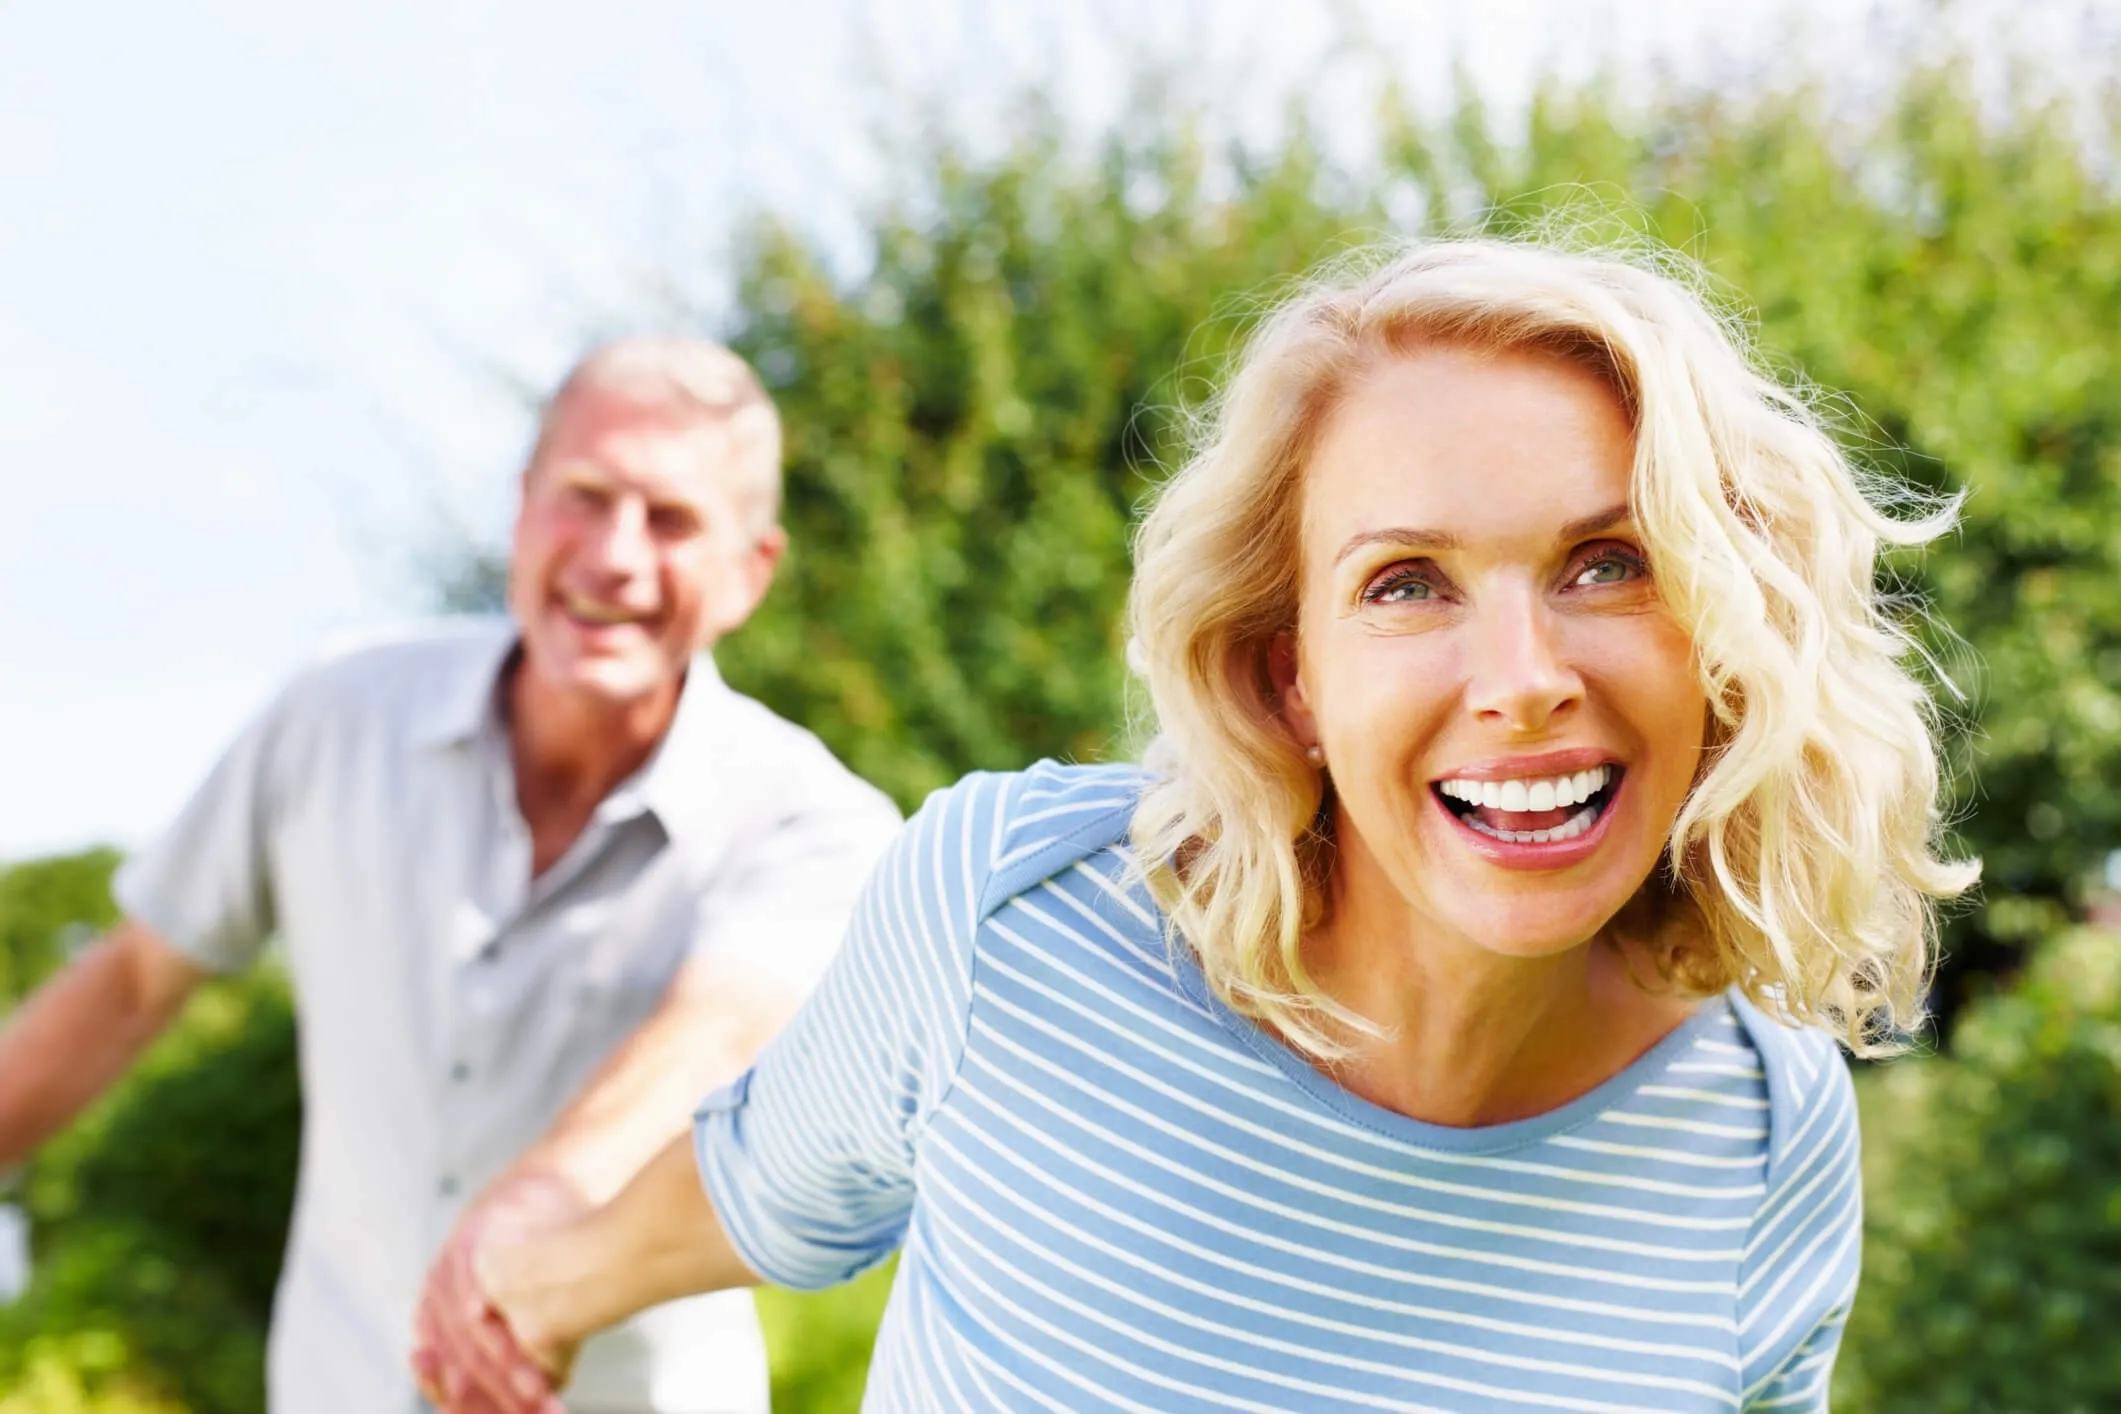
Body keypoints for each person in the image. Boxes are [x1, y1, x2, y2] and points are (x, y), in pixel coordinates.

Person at [431, 241, 1978, 1413]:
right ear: (1287, 677)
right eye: (1406, 584)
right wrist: (521, 1285)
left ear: (1724, 633)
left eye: (1607, 563)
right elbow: (768, 1182)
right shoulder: (1016, 915)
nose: (1522, 683)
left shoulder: (1764, 1133)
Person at [0, 338, 902, 1414]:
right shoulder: (335, 715)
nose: (616, 556)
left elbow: (717, 1031)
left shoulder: (821, 818)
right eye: (586, 495)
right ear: (523, 510)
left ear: (750, 572)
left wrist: (540, 1200)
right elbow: (137, 978)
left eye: (671, 520)